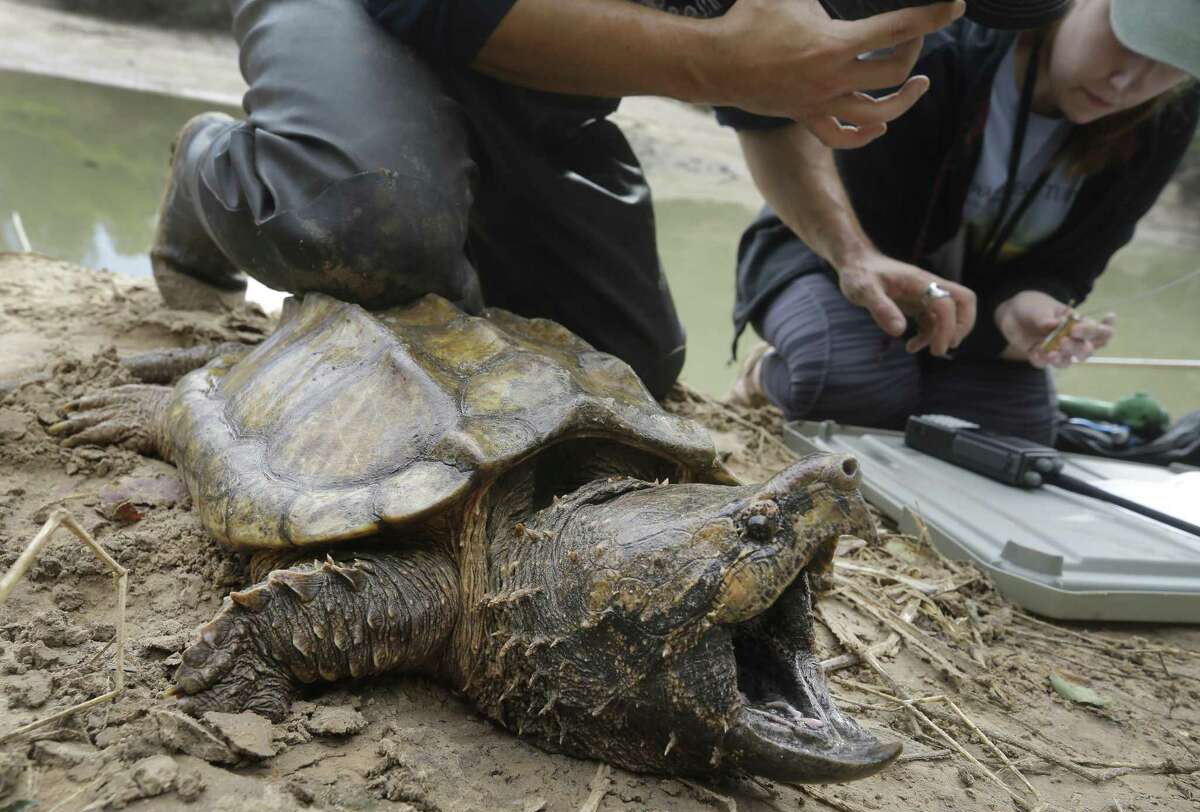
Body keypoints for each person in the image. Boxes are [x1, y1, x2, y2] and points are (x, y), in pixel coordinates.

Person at [148, 0, 967, 401]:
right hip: (365, 8)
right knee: (364, 227)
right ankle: (205, 171)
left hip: (537, 84)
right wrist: (714, 62)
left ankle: (437, 215)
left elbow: (765, 114)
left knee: (622, 370)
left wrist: (853, 257)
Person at [727, 0, 1199, 443]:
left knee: (1014, 434)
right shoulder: (939, 48)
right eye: (1123, 41)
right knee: (850, 385)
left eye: (1167, 62)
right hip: (835, 259)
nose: (1125, 82)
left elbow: (1075, 263)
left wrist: (1026, 306)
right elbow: (848, 200)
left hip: (970, 311)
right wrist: (870, 270)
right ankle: (765, 375)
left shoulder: (1167, 117)